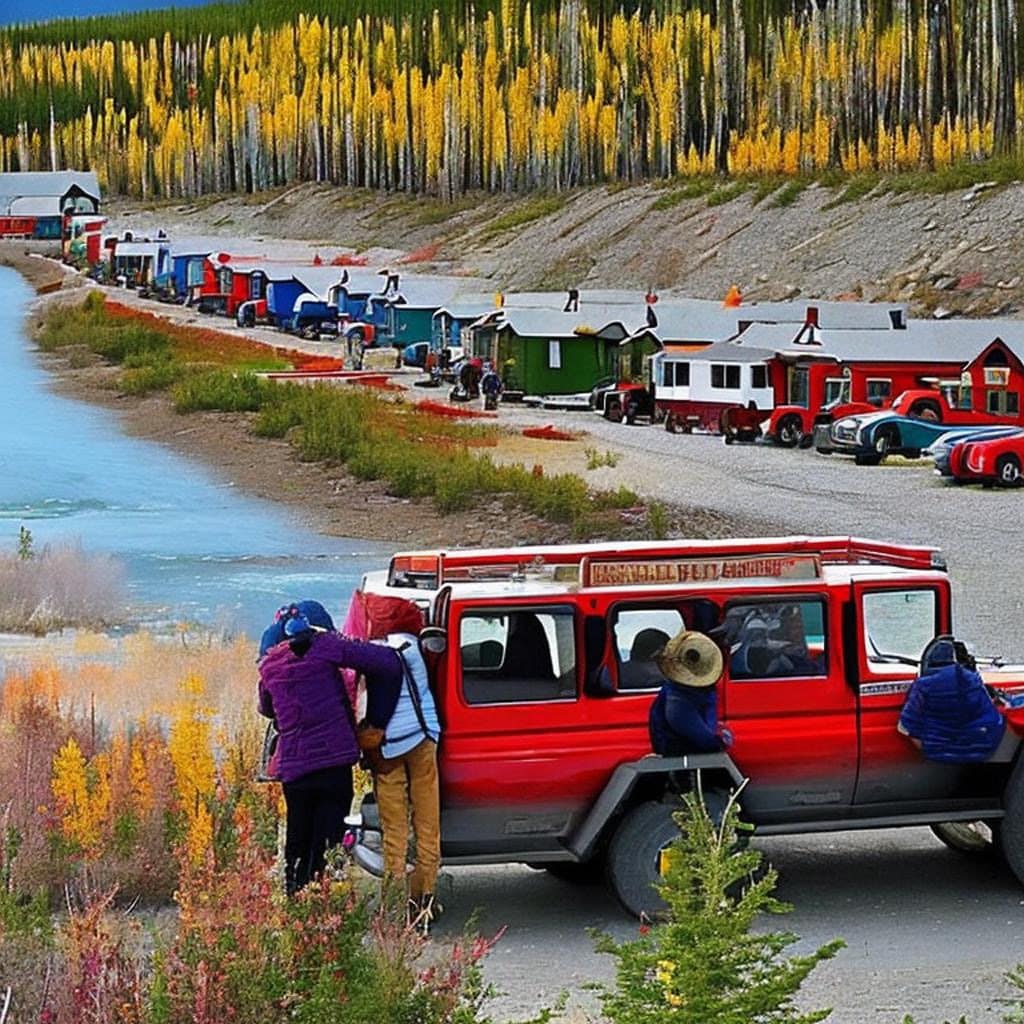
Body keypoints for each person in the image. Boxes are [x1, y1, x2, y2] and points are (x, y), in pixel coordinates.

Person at [257, 600, 400, 895]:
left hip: (295, 770)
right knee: (330, 841)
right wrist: (375, 720)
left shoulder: (269, 667)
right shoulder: (326, 647)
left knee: (298, 839)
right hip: (333, 764)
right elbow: (385, 661)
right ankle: (326, 909)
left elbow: (267, 709)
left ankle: (298, 910)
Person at [343, 592, 443, 933]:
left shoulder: (379, 653)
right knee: (428, 825)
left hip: (388, 751)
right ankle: (424, 903)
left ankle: (395, 907)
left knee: (395, 830)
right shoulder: (414, 647)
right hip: (424, 737)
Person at [898, 636, 1006, 763]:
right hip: (981, 749)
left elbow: (907, 725)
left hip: (937, 753)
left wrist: (928, 746)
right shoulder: (972, 679)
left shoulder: (923, 685)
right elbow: (992, 716)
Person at [648, 629, 729, 756]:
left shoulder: (681, 691)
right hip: (684, 759)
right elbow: (703, 738)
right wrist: (721, 740)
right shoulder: (678, 698)